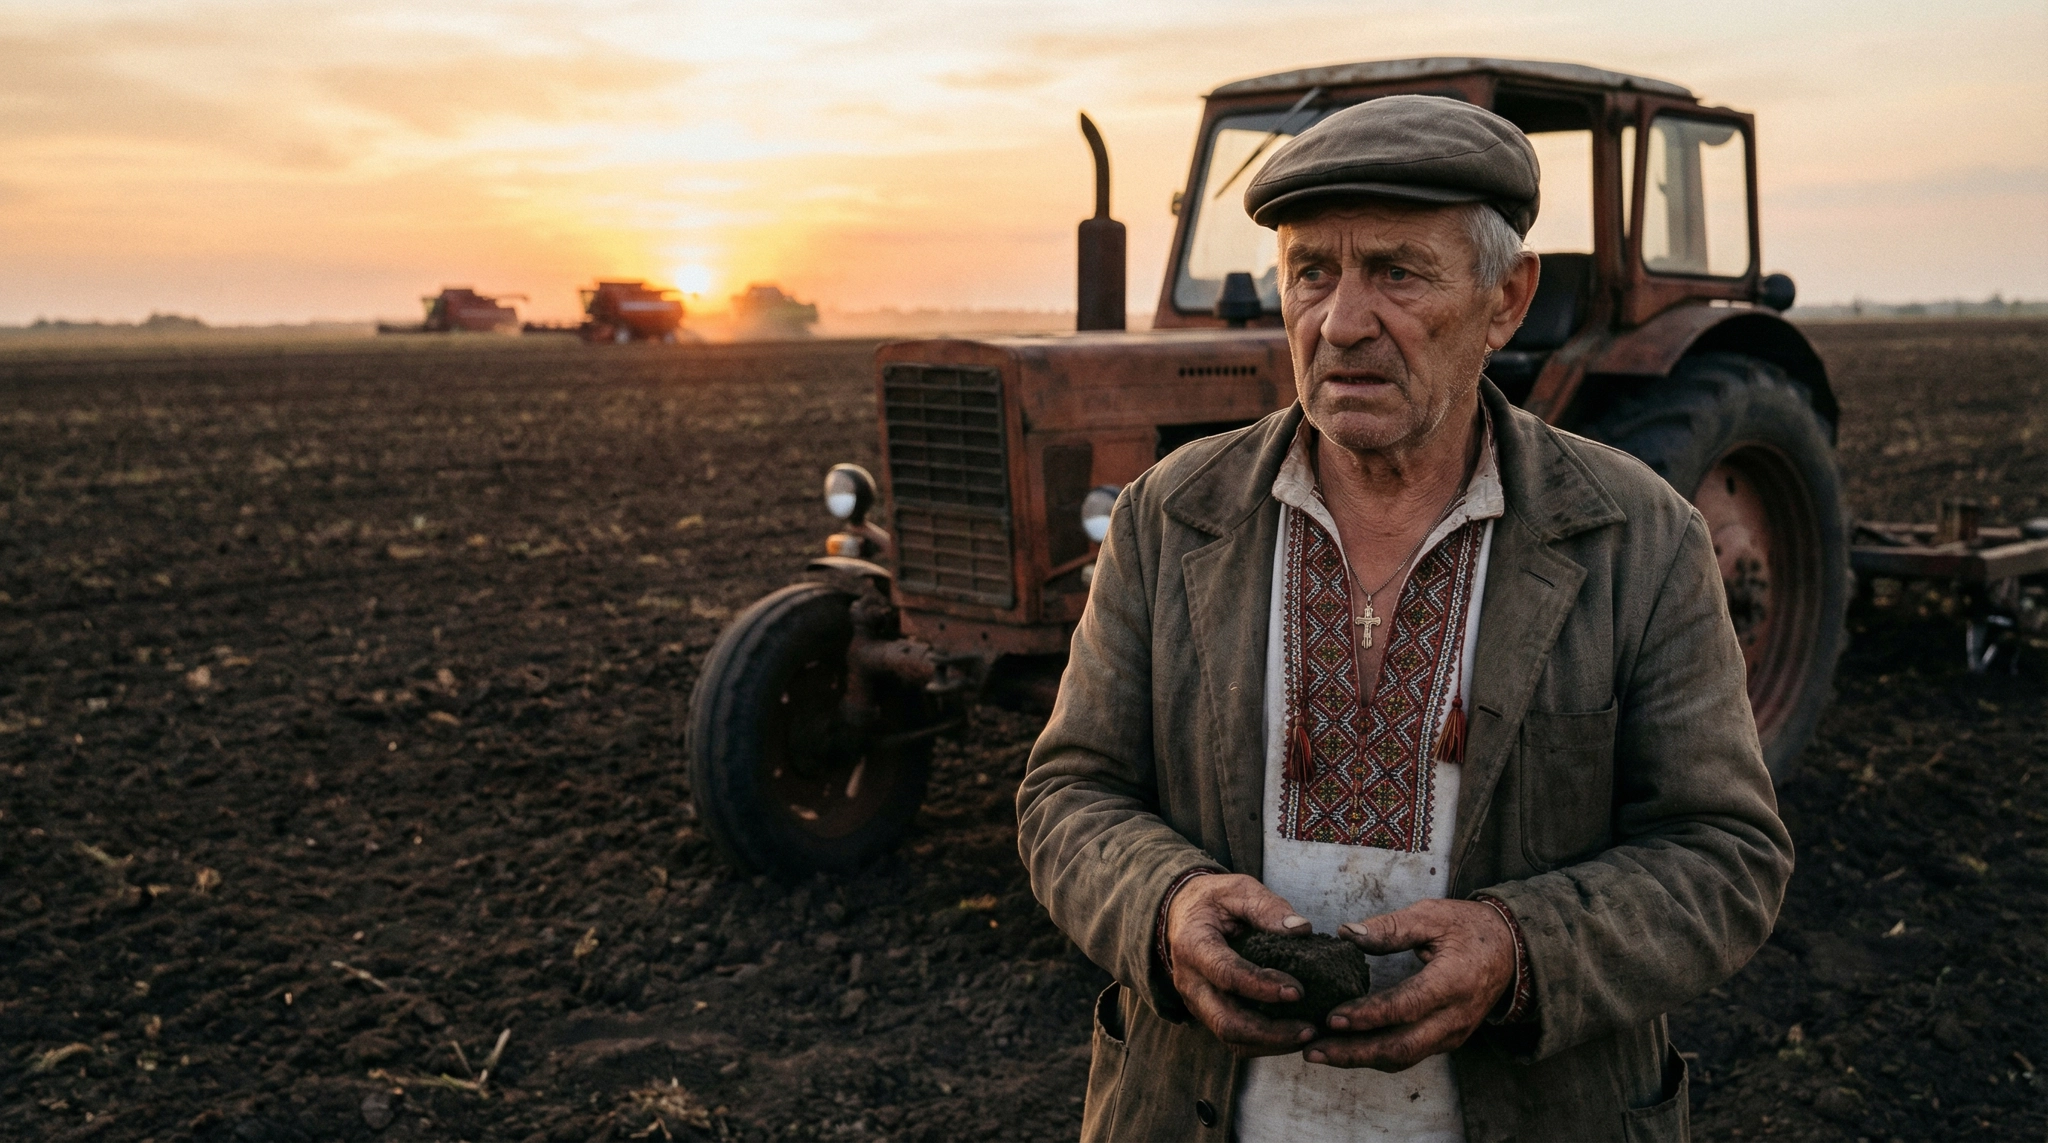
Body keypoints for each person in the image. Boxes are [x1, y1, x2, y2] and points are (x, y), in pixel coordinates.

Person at [1015, 95, 1793, 1142]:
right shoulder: (1170, 516)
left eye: (1395, 272)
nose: (1339, 323)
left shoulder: (1636, 538)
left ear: (1504, 299)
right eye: (1311, 273)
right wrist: (1162, 908)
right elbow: (1069, 793)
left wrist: (1522, 951)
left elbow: (1723, 854)